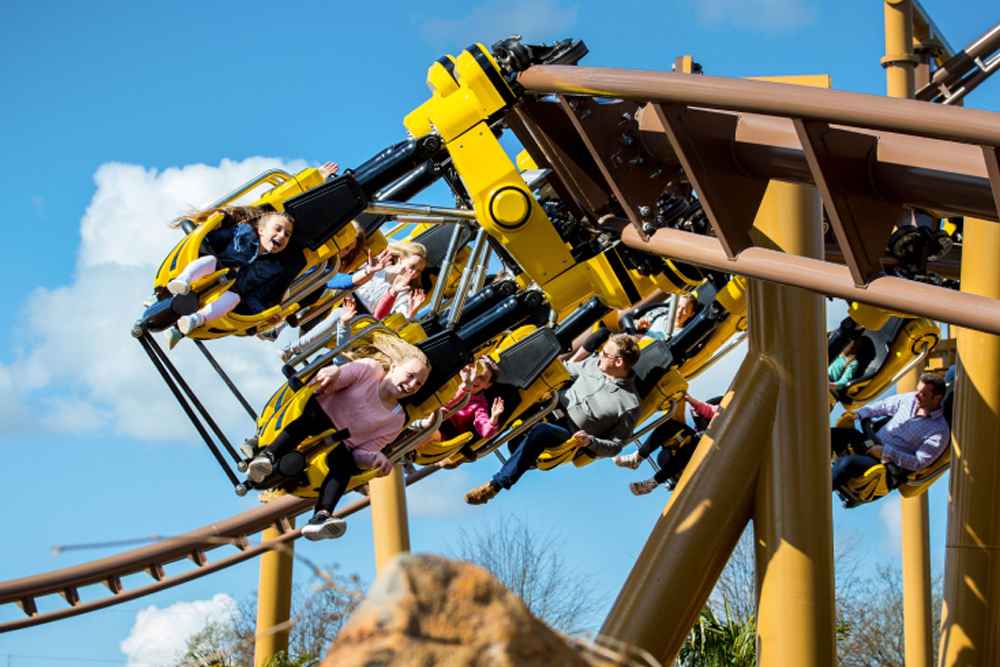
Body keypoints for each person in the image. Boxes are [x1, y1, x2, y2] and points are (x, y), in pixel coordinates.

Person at [247, 335, 430, 540]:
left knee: (345, 463)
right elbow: (339, 379)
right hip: (320, 414)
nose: (412, 384)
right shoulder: (369, 370)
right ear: (394, 367)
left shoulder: (396, 419)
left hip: (339, 444)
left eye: (419, 384)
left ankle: (321, 515)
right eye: (410, 375)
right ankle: (267, 456)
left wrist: (374, 459)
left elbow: (363, 452)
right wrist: (334, 372)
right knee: (313, 418)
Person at [162, 163, 340, 350]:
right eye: (277, 230)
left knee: (234, 299)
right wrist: (212, 226)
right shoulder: (243, 233)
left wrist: (263, 314)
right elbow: (216, 239)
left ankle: (194, 320)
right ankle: (181, 281)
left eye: (286, 235)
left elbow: (255, 295)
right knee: (210, 260)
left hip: (229, 289)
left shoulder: (274, 268)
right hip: (211, 272)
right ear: (261, 230)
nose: (281, 236)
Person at [464, 333, 642, 505]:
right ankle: (472, 444)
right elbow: (564, 370)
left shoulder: (629, 404)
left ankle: (494, 486)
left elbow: (616, 446)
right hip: (551, 406)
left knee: (541, 432)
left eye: (605, 354)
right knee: (511, 404)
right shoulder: (593, 365)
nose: (600, 355)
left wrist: (590, 442)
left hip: (569, 433)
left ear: (619, 362)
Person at [279, 241, 428, 361]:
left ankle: (292, 349)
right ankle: (282, 321)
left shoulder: (404, 292)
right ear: (401, 259)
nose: (413, 273)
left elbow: (401, 321)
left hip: (361, 316)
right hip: (344, 295)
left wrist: (413, 310)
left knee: (339, 315)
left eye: (418, 271)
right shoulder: (380, 268)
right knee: (325, 289)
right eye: (412, 266)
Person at [830, 371, 949, 490]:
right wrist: (858, 414)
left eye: (923, 394)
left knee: (846, 463)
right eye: (917, 390)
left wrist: (885, 452)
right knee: (830, 435)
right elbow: (883, 406)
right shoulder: (910, 399)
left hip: (885, 464)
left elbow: (919, 462)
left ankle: (816, 495)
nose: (916, 395)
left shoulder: (939, 431)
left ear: (937, 398)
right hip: (871, 440)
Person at [615, 394, 720, 495]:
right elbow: (710, 411)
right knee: (671, 425)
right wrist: (692, 401)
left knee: (692, 443)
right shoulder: (724, 409)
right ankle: (638, 457)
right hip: (695, 439)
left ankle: (654, 482)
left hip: (707, 450)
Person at [568, 294, 703, 362]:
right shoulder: (660, 312)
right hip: (632, 340)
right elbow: (634, 322)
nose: (678, 312)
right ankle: (572, 363)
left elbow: (671, 350)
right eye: (677, 307)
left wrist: (645, 338)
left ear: (692, 314)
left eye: (685, 310)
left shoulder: (682, 333)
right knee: (602, 332)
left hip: (646, 354)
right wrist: (639, 325)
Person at [428, 357, 505, 443]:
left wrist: (493, 419)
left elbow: (485, 432)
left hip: (445, 432)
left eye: (483, 378)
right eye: (476, 373)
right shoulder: (454, 383)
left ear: (488, 385)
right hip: (429, 417)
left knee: (430, 433)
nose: (477, 379)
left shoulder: (479, 404)